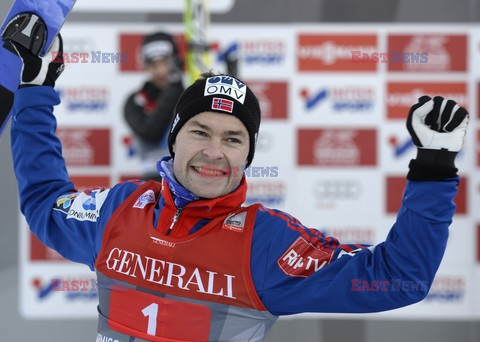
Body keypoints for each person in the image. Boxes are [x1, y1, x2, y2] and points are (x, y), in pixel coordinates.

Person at [8, 34, 468, 342]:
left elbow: (399, 279)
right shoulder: (121, 209)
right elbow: (45, 202)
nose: (214, 152)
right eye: (200, 132)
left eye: (233, 139)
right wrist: (34, 92)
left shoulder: (265, 243)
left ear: (247, 155)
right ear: (174, 137)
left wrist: (433, 169)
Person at [124, 32, 185, 181]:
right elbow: (151, 133)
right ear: (145, 65)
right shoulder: (135, 101)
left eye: (165, 62)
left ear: (176, 61)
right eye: (154, 64)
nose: (161, 71)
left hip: (190, 181)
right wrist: (175, 87)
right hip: (154, 185)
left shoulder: (190, 97)